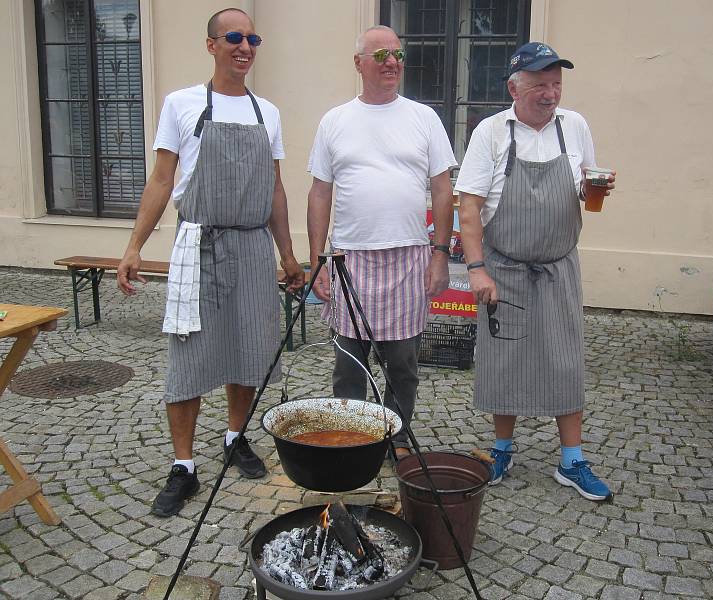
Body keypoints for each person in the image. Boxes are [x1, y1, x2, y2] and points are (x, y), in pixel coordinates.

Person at [116, 8, 304, 517]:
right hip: (197, 245)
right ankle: (184, 467)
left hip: (251, 247)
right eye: (234, 37)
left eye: (252, 38)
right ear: (212, 45)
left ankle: (234, 437)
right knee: (190, 354)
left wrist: (288, 256)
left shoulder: (268, 112)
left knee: (249, 346)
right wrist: (134, 246)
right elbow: (161, 180)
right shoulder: (181, 104)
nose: (245, 46)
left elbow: (276, 189)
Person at [455, 42, 616, 499]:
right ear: (514, 87)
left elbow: (586, 190)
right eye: (540, 84)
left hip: (559, 266)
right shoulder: (490, 132)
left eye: (556, 84)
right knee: (504, 361)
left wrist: (591, 189)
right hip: (504, 267)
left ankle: (572, 460)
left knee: (566, 361)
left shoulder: (575, 126)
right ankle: (501, 450)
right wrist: (477, 270)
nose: (550, 94)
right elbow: (468, 208)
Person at [306, 26, 457, 455]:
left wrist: (440, 254)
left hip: (409, 254)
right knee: (349, 364)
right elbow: (320, 192)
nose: (392, 62)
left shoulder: (423, 117)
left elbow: (443, 189)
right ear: (359, 64)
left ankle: (396, 437)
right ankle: (353, 439)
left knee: (403, 365)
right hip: (350, 258)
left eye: (398, 54)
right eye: (380, 55)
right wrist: (317, 258)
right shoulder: (334, 120)